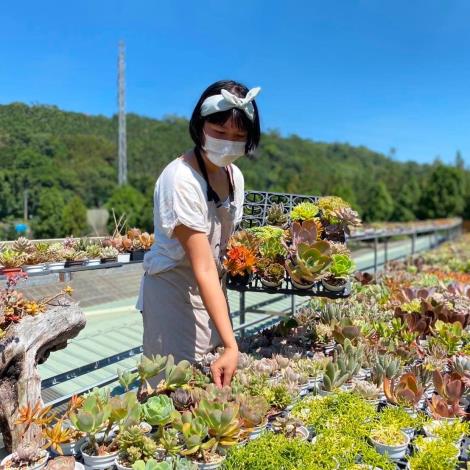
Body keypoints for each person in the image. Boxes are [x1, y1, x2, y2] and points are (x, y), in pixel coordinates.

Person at [136, 80, 261, 387]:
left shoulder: (234, 176)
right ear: (200, 126)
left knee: (210, 376)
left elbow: (219, 252)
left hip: (210, 287)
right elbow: (201, 265)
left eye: (238, 137)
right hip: (173, 288)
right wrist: (233, 345)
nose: (228, 142)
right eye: (219, 133)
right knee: (172, 382)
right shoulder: (180, 179)